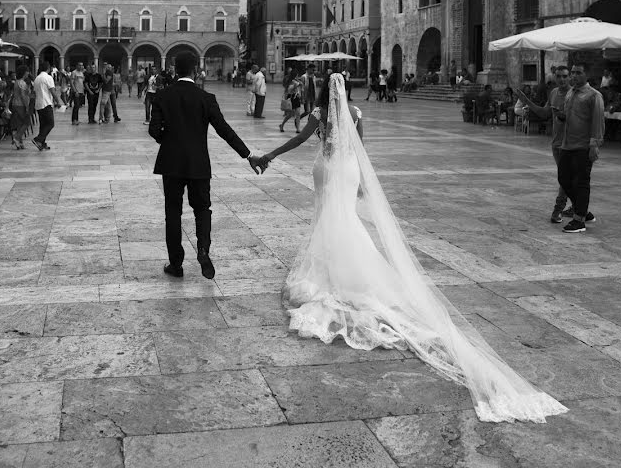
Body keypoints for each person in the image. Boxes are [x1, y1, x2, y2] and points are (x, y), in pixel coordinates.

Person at [255, 74, 567, 424]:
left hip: (327, 170)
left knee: (329, 217)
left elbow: (299, 139)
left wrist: (268, 154)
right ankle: (349, 265)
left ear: (324, 92)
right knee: (344, 217)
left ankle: (334, 269)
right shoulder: (356, 113)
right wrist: (362, 186)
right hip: (349, 171)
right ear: (347, 91)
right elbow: (361, 150)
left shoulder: (317, 113)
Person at [148, 54, 264, 279]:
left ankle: (176, 264)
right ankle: (203, 249)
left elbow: (154, 130)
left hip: (171, 163)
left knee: (173, 212)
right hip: (198, 163)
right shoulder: (206, 98)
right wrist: (247, 154)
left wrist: (170, 141)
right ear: (195, 71)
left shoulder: (162, 96)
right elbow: (224, 130)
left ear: (175, 71)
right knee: (202, 208)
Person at [517, 66, 572, 223]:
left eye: (565, 76)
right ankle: (575, 207)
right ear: (555, 77)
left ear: (569, 77)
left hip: (572, 141)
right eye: (559, 76)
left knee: (567, 177)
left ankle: (558, 209)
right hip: (557, 143)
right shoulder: (554, 93)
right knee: (567, 177)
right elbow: (544, 113)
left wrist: (564, 116)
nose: (562, 79)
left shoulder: (574, 94)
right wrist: (526, 101)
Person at [557, 63, 604, 233]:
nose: (574, 76)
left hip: (583, 146)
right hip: (567, 144)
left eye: (578, 73)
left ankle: (579, 221)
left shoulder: (594, 95)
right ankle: (582, 209)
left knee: (581, 182)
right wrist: (562, 117)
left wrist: (594, 145)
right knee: (563, 178)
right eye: (573, 73)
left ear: (587, 74)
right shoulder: (570, 93)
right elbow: (571, 115)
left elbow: (598, 121)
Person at [31, 64, 62, 151]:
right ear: (48, 68)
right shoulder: (48, 77)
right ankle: (38, 139)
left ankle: (42, 143)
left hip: (38, 104)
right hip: (46, 103)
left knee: (43, 124)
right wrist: (58, 101)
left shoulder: (37, 78)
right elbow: (52, 90)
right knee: (50, 124)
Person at [8, 66, 33, 149]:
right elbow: (23, 95)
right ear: (24, 72)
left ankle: (20, 143)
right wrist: (27, 106)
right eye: (27, 71)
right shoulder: (22, 83)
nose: (28, 73)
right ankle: (17, 138)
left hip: (15, 104)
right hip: (20, 105)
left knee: (19, 124)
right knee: (26, 122)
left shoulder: (16, 82)